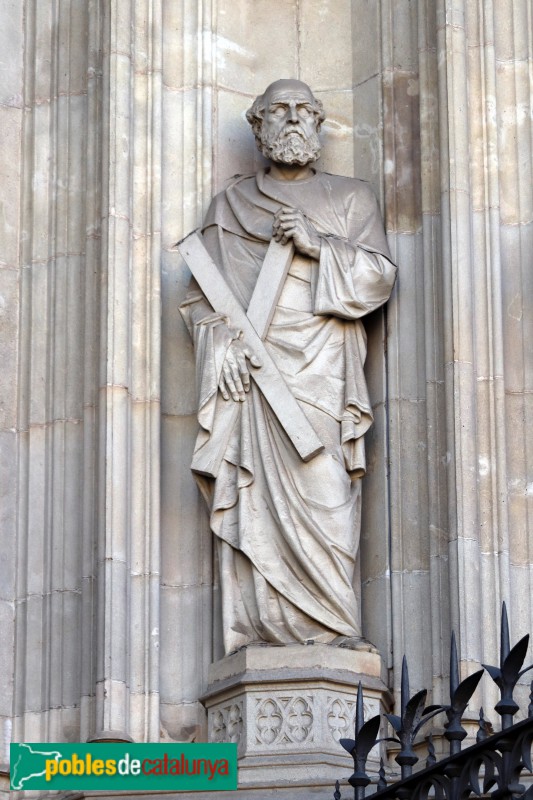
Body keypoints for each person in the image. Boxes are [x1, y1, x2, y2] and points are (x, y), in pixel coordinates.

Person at [180, 79, 396, 655]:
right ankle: (260, 631)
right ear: (258, 127)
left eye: (305, 111)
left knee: (325, 488)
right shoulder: (229, 205)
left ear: (319, 125)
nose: (293, 120)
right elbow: (205, 296)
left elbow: (378, 276)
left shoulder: (351, 198)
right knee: (254, 493)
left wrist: (319, 243)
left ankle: (332, 624)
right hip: (254, 376)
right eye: (279, 111)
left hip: (322, 371)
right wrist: (220, 342)